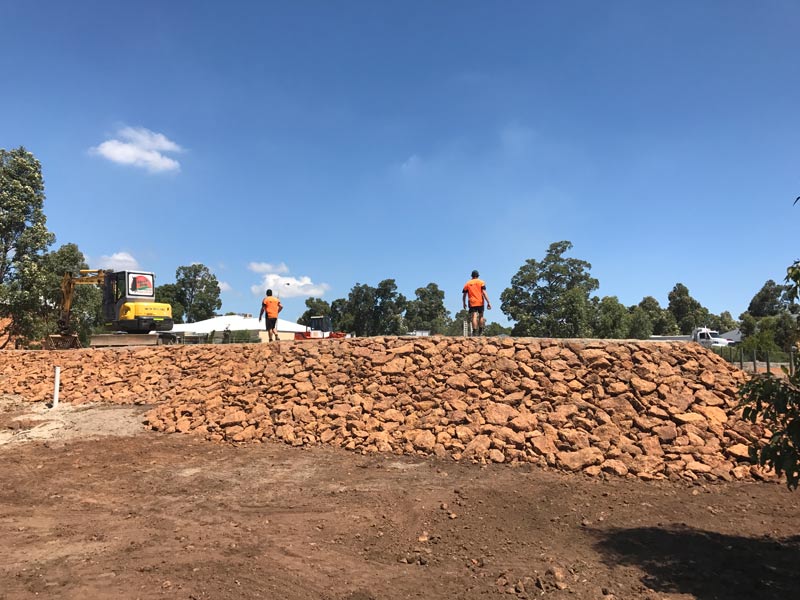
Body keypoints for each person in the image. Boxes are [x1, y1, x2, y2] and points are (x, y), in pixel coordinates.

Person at [462, 270, 491, 336]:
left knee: (474, 317)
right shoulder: (481, 282)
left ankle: (474, 332)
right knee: (481, 316)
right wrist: (488, 302)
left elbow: (464, 295)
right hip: (480, 302)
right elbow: (484, 292)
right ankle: (480, 331)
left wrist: (464, 303)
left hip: (472, 302)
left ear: (471, 276)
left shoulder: (468, 283)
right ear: (478, 276)